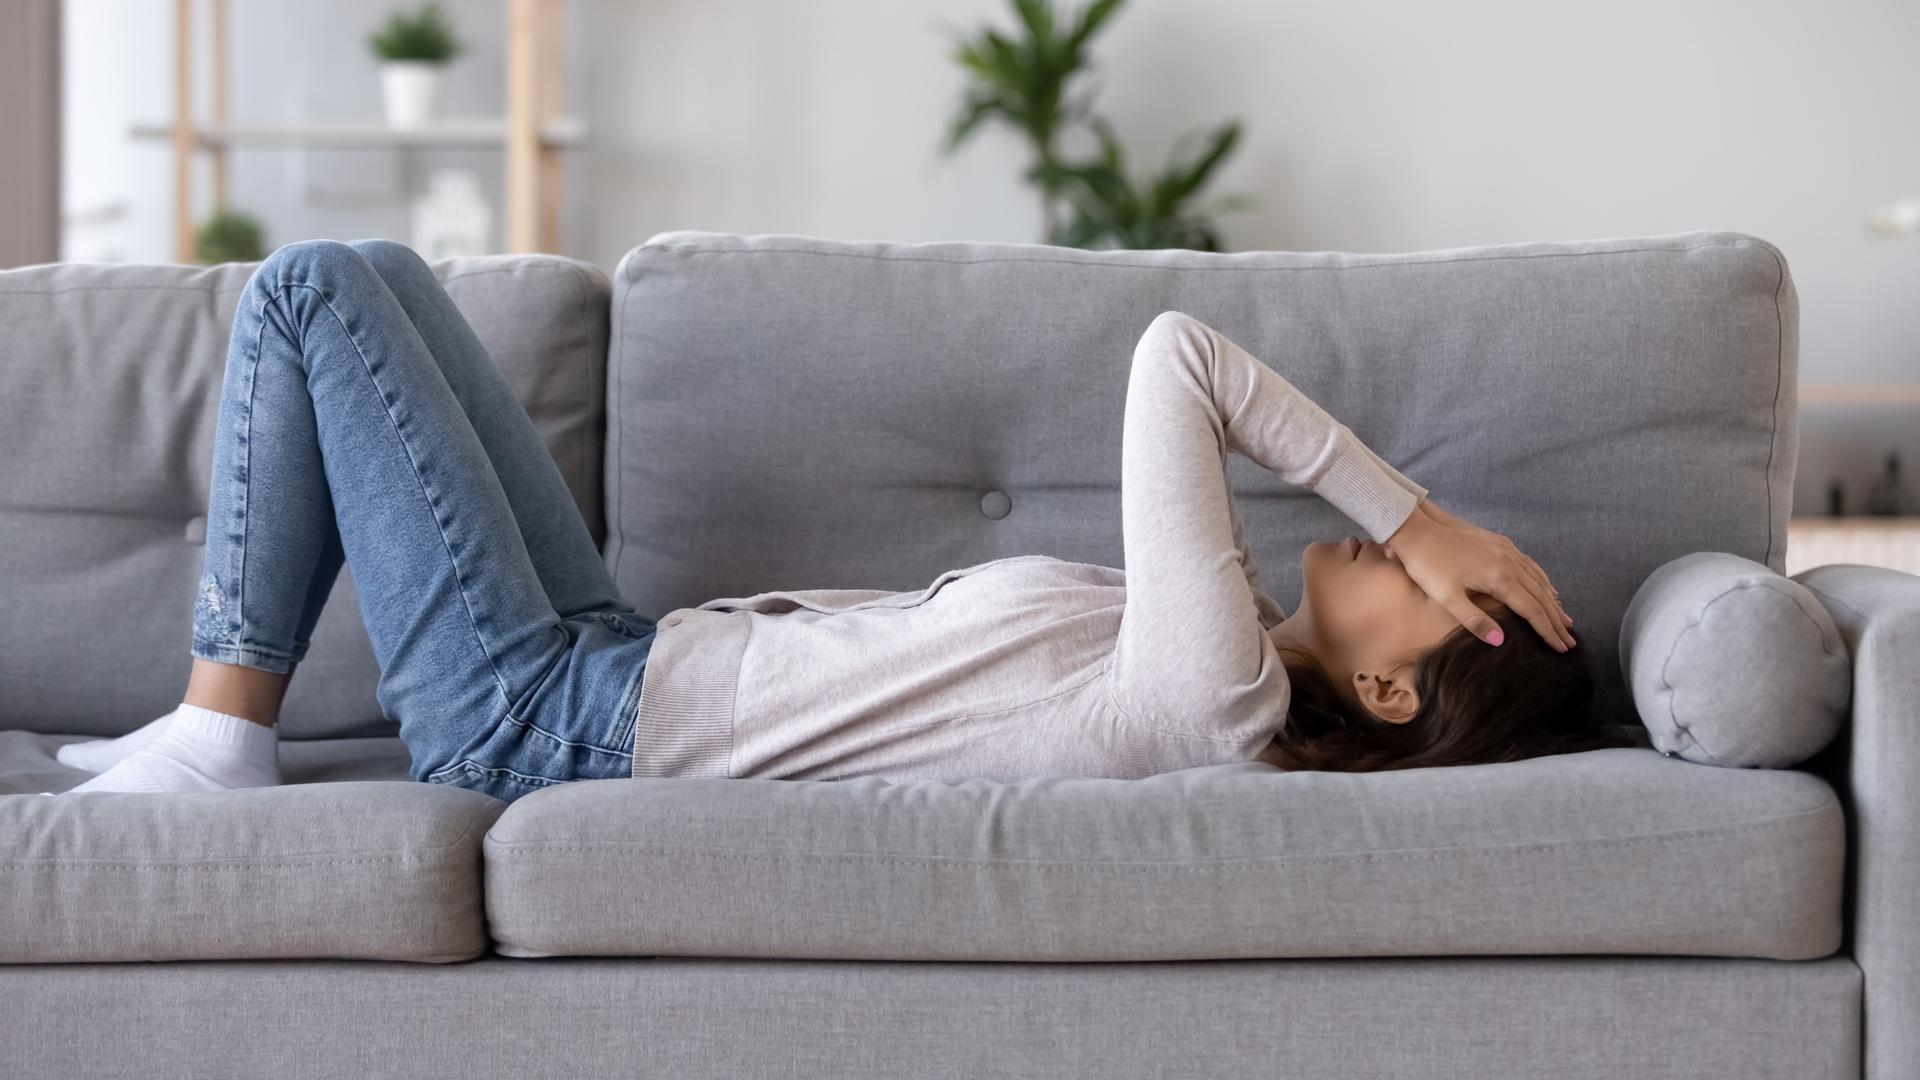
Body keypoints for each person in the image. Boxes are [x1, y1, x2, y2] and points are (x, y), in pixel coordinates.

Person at [55, 240, 1607, 804]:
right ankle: (216, 734)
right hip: (611, 657)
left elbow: (1176, 356)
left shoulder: (1216, 692)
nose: (1415, 557)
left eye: (1433, 586)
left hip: (546, 723)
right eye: (1435, 555)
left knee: (312, 289)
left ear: (1393, 688)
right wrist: (1427, 535)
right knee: (386, 273)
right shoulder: (1203, 654)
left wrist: (1426, 509)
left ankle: (220, 731)